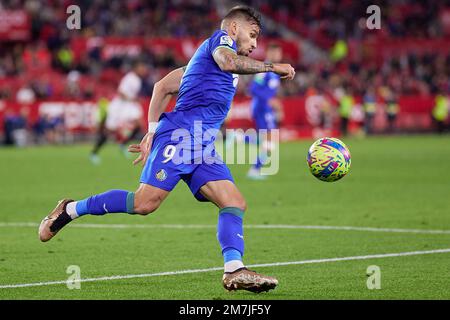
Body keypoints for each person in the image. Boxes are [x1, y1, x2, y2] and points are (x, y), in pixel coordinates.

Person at [38, 6, 295, 293]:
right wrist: (273, 66)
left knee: (233, 202)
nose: (255, 44)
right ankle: (70, 210)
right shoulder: (221, 45)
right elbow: (227, 61)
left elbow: (162, 87)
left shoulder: (202, 63)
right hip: (181, 136)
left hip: (201, 143)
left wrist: (149, 132)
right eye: (253, 35)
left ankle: (234, 270)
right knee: (144, 204)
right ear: (234, 29)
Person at [90, 59, 147, 164]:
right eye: (142, 67)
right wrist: (133, 99)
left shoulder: (137, 80)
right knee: (109, 131)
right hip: (119, 106)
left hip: (129, 105)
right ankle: (94, 153)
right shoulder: (129, 78)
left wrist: (134, 100)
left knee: (140, 124)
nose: (144, 70)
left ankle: (123, 144)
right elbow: (121, 92)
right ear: (136, 68)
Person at [247, 43, 283, 180]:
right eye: (276, 53)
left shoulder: (274, 71)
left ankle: (239, 138)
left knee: (268, 140)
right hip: (261, 107)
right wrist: (269, 100)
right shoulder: (264, 69)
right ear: (270, 53)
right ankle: (255, 169)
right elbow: (253, 89)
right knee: (270, 140)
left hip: (266, 108)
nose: (278, 56)